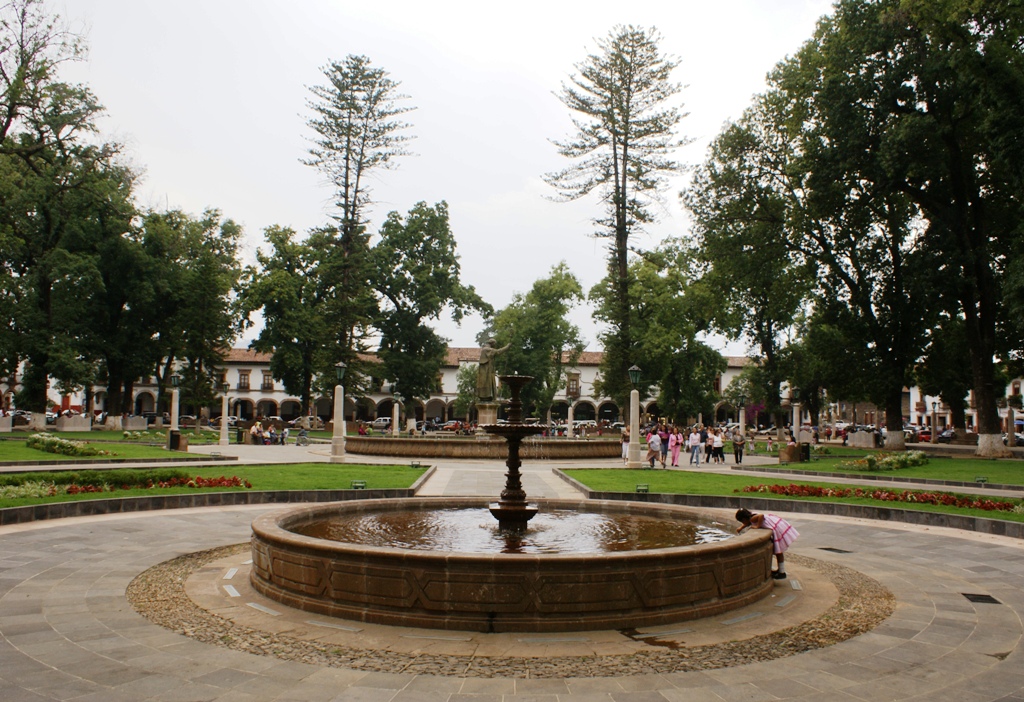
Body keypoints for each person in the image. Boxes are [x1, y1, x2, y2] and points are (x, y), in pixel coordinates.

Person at [735, 508, 799, 579]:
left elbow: (761, 516)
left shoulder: (752, 519)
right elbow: (749, 522)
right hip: (777, 524)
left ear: (744, 519)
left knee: (779, 552)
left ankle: (782, 573)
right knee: (779, 552)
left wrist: (757, 526)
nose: (743, 524)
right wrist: (741, 528)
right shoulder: (751, 517)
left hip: (776, 529)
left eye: (742, 522)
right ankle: (781, 570)